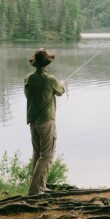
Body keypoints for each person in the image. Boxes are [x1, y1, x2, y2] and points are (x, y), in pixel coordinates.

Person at [24, 48, 65, 195]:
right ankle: (34, 190)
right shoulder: (51, 80)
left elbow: (27, 96)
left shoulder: (28, 78)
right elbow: (60, 92)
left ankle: (41, 186)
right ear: (46, 64)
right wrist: (61, 84)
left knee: (37, 153)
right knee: (46, 155)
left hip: (33, 121)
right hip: (46, 121)